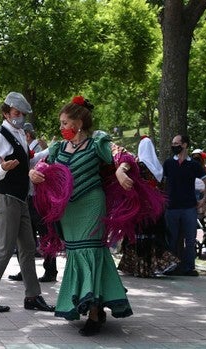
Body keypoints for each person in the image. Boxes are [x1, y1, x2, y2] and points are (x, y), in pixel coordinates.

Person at [29, 95, 133, 336]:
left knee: (92, 251)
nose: (62, 127)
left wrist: (121, 170)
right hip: (69, 210)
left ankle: (95, 312)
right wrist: (35, 174)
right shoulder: (57, 147)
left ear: (78, 122)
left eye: (65, 122)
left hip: (92, 204)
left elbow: (122, 156)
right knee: (76, 253)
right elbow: (44, 166)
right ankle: (88, 302)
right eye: (61, 123)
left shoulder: (98, 142)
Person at [0, 92, 55, 314]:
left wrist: (51, 150)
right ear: (5, 113)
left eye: (23, 114)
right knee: (4, 249)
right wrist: (3, 168)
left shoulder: (19, 133)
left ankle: (32, 296)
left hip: (20, 198)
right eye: (16, 113)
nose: (20, 117)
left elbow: (30, 159)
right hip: (5, 197)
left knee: (28, 247)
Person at [117, 137, 179, 277]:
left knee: (139, 236)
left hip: (140, 207)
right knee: (152, 236)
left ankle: (139, 268)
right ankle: (150, 268)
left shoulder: (138, 166)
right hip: (155, 209)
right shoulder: (158, 167)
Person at [9, 121, 57, 282]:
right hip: (31, 197)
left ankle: (48, 271)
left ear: (27, 135)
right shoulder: (33, 149)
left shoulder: (36, 151)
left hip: (37, 198)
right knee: (28, 236)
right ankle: (29, 271)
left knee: (42, 235)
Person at [162, 134, 206, 276]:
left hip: (189, 207)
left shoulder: (193, 165)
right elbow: (163, 183)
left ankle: (189, 267)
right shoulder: (168, 163)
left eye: (177, 143)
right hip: (171, 207)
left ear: (185, 145)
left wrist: (204, 199)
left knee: (190, 238)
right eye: (173, 143)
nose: (174, 145)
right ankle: (171, 266)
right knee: (172, 238)